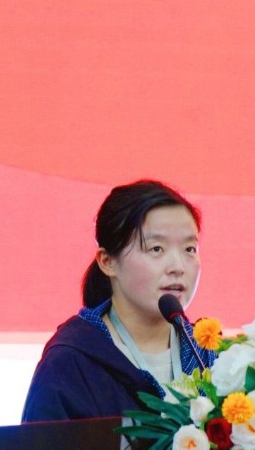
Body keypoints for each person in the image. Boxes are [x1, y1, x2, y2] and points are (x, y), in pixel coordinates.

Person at [21, 180, 213, 422]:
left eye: (189, 249)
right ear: (107, 262)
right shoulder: (71, 361)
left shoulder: (211, 357)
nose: (178, 267)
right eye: (156, 249)